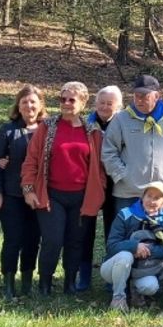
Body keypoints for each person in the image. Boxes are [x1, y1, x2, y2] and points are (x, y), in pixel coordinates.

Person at [21, 81, 108, 295]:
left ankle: (70, 282)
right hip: (51, 195)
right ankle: (45, 283)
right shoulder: (47, 127)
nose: (67, 103)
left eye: (72, 99)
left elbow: (101, 168)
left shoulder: (93, 132)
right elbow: (31, 159)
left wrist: (100, 193)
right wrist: (28, 189)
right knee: (52, 240)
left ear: (83, 102)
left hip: (81, 196)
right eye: (63, 99)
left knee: (75, 241)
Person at [0, 86, 45, 299]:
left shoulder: (47, 130)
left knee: (33, 240)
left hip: (38, 195)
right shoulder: (8, 130)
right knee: (13, 239)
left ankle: (27, 283)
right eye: (25, 102)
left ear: (40, 105)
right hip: (12, 194)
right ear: (18, 106)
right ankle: (8, 284)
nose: (29, 106)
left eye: (33, 102)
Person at [102, 74, 163, 217]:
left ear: (157, 96)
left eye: (144, 96)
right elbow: (108, 151)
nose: (139, 100)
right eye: (136, 95)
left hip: (159, 191)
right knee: (126, 235)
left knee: (157, 236)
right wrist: (123, 175)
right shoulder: (122, 118)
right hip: (128, 192)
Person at [102, 181, 163, 311]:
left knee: (151, 287)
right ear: (143, 197)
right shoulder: (125, 214)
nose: (151, 201)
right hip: (115, 266)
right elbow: (111, 245)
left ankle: (135, 290)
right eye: (149, 196)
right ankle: (118, 297)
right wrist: (134, 247)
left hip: (143, 268)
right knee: (125, 256)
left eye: (157, 198)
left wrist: (147, 249)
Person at [84, 85, 124, 287]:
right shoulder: (85, 125)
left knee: (113, 230)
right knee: (85, 230)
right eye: (101, 102)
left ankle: (111, 274)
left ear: (118, 106)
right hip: (89, 184)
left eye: (110, 103)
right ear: (95, 103)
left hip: (116, 184)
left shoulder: (123, 124)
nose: (105, 106)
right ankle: (83, 274)